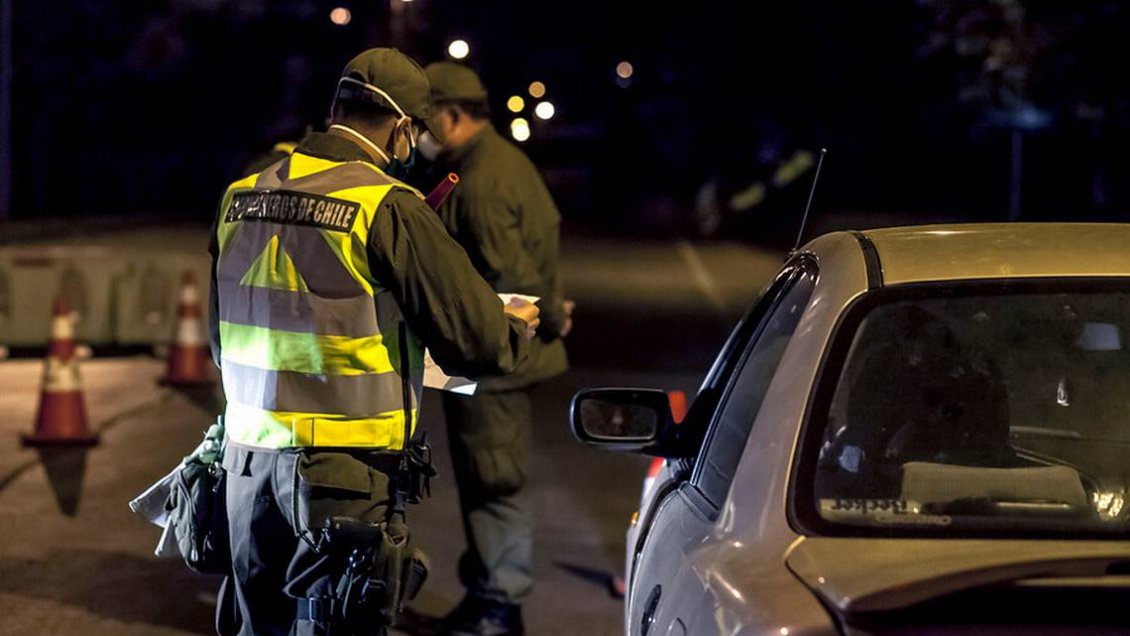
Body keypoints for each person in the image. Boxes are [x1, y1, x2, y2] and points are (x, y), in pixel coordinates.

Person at [207, 48, 540, 636]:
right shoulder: (386, 206)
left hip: (246, 472)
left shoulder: (240, 196)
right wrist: (514, 326)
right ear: (402, 128)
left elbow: (223, 337)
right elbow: (478, 342)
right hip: (342, 481)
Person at [419, 61, 571, 636]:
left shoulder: (481, 181)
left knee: (493, 480)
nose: (419, 133)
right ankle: (487, 592)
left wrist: (550, 314)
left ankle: (498, 607)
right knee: (485, 477)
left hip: (494, 361)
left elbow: (513, 281)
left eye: (426, 120)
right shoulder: (497, 163)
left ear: (453, 114)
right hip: (489, 358)